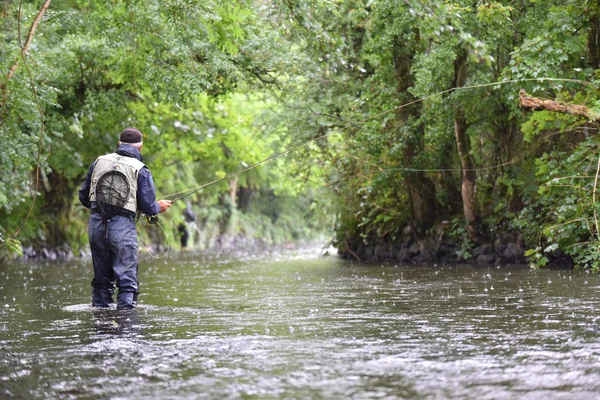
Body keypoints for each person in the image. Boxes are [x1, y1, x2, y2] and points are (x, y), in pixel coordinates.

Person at [79, 127, 172, 309]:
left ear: (119, 143)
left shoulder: (99, 161)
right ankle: (126, 327)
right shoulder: (141, 169)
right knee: (127, 283)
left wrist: (102, 210)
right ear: (140, 147)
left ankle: (101, 322)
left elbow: (84, 197)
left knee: (101, 281)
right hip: (122, 229)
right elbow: (147, 206)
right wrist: (158, 207)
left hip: (96, 226)